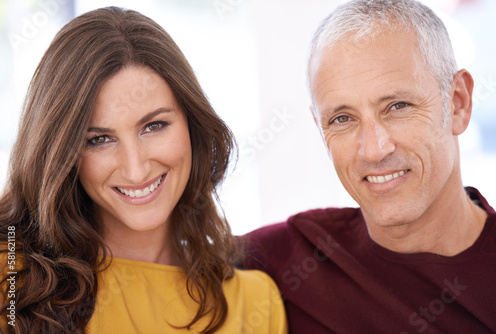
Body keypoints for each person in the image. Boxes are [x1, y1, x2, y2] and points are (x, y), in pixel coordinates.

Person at [0, 7, 286, 334]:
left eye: (154, 126)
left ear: (192, 125)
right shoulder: (11, 277)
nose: (136, 170)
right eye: (100, 139)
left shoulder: (254, 302)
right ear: (62, 152)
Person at [241, 0, 496, 333]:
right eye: (343, 119)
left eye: (397, 106)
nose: (374, 150)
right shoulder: (292, 255)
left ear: (458, 103)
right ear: (321, 131)